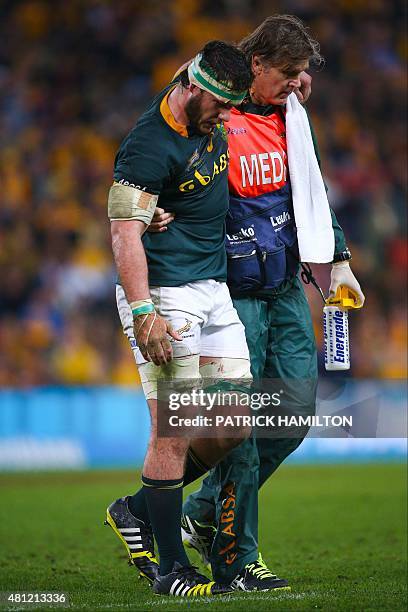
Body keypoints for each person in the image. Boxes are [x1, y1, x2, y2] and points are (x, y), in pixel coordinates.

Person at [153, 15, 365, 591]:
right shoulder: (208, 110)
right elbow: (161, 145)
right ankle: (237, 560)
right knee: (240, 426)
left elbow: (312, 191)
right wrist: (152, 206)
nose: (298, 83)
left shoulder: (291, 117)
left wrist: (338, 259)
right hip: (227, 290)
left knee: (292, 415)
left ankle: (196, 514)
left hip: (283, 284)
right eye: (289, 73)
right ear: (255, 64)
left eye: (301, 75)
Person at [105, 41, 259, 597]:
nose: (227, 118)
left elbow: (231, 54)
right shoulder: (147, 145)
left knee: (233, 424)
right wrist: (145, 312)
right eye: (222, 107)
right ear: (195, 89)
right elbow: (124, 229)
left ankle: (136, 509)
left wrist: (295, 88)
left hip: (213, 288)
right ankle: (171, 567)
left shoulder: (198, 91)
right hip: (166, 297)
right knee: (173, 429)